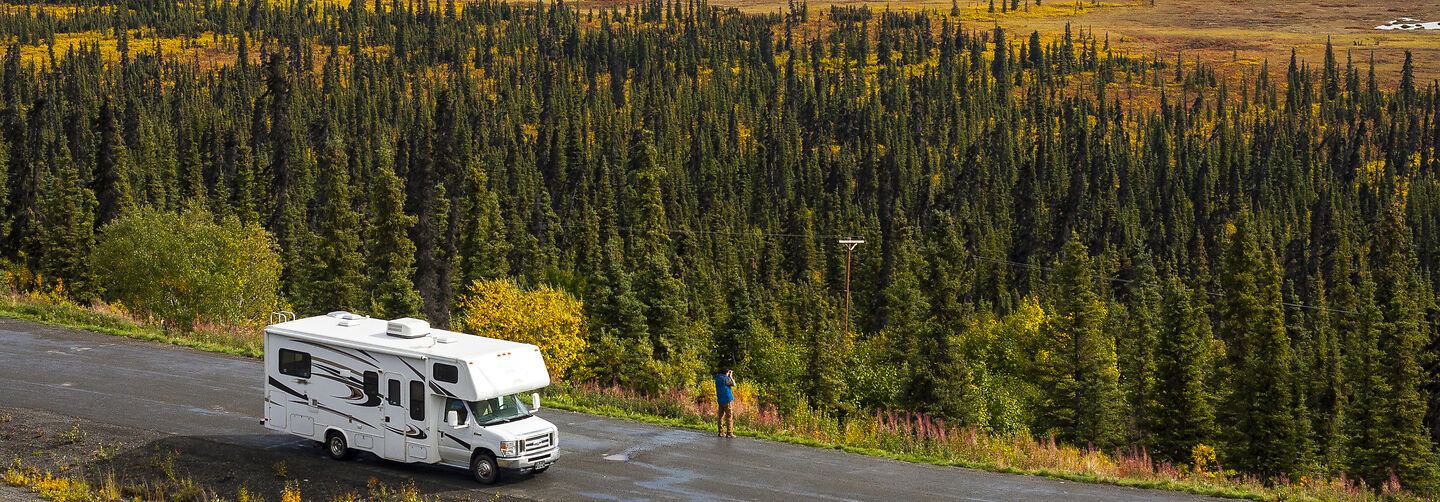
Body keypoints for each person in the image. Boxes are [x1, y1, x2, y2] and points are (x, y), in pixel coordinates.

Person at [714, 367, 736, 437]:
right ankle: (729, 433)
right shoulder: (726, 379)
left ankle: (720, 432)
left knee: (720, 416)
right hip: (727, 399)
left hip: (720, 399)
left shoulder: (717, 378)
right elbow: (734, 384)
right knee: (729, 416)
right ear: (726, 372)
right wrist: (731, 376)